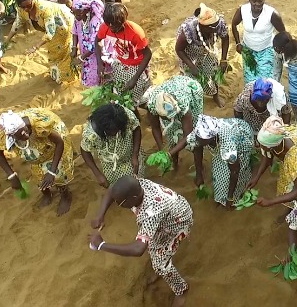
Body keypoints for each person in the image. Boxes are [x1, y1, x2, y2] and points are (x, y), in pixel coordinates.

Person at [89, 176, 193, 307]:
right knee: (153, 245)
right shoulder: (134, 183)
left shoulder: (151, 213)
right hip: (172, 209)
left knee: (159, 263)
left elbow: (138, 249)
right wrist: (100, 215)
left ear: (133, 199)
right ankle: (161, 264)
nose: (118, 204)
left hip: (177, 222)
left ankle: (181, 289)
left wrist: (101, 245)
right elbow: (113, 190)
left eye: (120, 203)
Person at [0, 108, 75, 216]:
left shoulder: (40, 126)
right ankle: (46, 193)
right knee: (38, 173)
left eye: (25, 130)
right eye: (20, 135)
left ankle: (66, 195)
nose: (25, 135)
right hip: (36, 153)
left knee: (58, 173)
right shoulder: (4, 135)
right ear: (11, 137)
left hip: (54, 143)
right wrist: (12, 176)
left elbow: (59, 143)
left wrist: (52, 172)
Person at [169, 113, 255, 208]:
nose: (197, 140)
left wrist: (230, 197)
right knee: (219, 174)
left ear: (211, 138)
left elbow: (235, 171)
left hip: (242, 138)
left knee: (240, 171)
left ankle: (235, 196)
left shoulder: (228, 147)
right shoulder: (202, 132)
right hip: (230, 132)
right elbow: (189, 141)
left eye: (200, 139)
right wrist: (168, 155)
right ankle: (221, 198)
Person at [248, 116, 297, 210]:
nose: (260, 146)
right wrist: (257, 177)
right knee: (286, 184)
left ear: (271, 147)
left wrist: (270, 201)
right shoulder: (275, 139)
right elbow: (267, 157)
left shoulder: (294, 157)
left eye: (262, 145)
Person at [5, 0, 75, 84]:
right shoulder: (21, 10)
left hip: (63, 24)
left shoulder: (44, 8)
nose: (26, 9)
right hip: (49, 28)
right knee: (53, 52)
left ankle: (65, 75)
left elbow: (50, 32)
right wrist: (7, 40)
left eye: (28, 6)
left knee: (62, 51)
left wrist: (35, 47)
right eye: (23, 7)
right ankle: (58, 72)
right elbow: (17, 24)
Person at [98, 2, 153, 108]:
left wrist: (135, 78)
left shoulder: (135, 32)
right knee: (123, 97)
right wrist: (99, 63)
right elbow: (97, 41)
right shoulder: (106, 26)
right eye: (109, 25)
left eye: (115, 26)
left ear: (123, 22)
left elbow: (147, 54)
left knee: (141, 97)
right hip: (120, 63)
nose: (111, 29)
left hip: (138, 66)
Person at [174, 3, 229, 107]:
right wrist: (191, 66)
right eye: (212, 27)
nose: (216, 28)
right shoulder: (189, 30)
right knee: (191, 77)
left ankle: (215, 95)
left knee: (212, 71)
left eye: (217, 25)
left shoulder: (218, 24)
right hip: (189, 51)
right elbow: (179, 49)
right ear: (202, 26)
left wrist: (223, 59)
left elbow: (225, 38)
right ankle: (194, 99)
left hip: (207, 48)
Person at [144, 75, 204, 169]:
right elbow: (155, 128)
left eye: (172, 116)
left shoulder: (183, 105)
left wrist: (168, 154)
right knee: (171, 134)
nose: (170, 119)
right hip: (173, 88)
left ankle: (199, 171)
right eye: (166, 118)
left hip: (192, 90)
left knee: (196, 137)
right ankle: (175, 163)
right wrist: (162, 150)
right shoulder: (152, 105)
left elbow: (188, 135)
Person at [231, 0, 285, 83]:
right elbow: (234, 24)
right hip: (248, 51)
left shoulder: (272, 14)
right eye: (254, 1)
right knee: (250, 81)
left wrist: (279, 48)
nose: (258, 4)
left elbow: (283, 33)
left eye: (261, 1)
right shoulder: (242, 10)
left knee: (265, 82)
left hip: (266, 50)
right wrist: (238, 43)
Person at [80, 103, 142, 190]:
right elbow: (84, 150)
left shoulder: (125, 116)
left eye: (119, 129)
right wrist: (98, 174)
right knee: (118, 188)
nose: (117, 133)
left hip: (131, 152)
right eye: (114, 131)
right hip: (110, 164)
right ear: (104, 129)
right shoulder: (91, 134)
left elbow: (136, 128)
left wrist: (135, 155)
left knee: (138, 180)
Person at [70, 0, 105, 87]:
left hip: (96, 56)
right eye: (74, 13)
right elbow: (74, 31)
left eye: (78, 14)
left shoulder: (95, 21)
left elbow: (95, 44)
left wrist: (82, 58)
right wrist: (74, 47)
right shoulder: (79, 17)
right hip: (85, 55)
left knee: (94, 81)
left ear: (86, 11)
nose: (76, 16)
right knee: (86, 79)